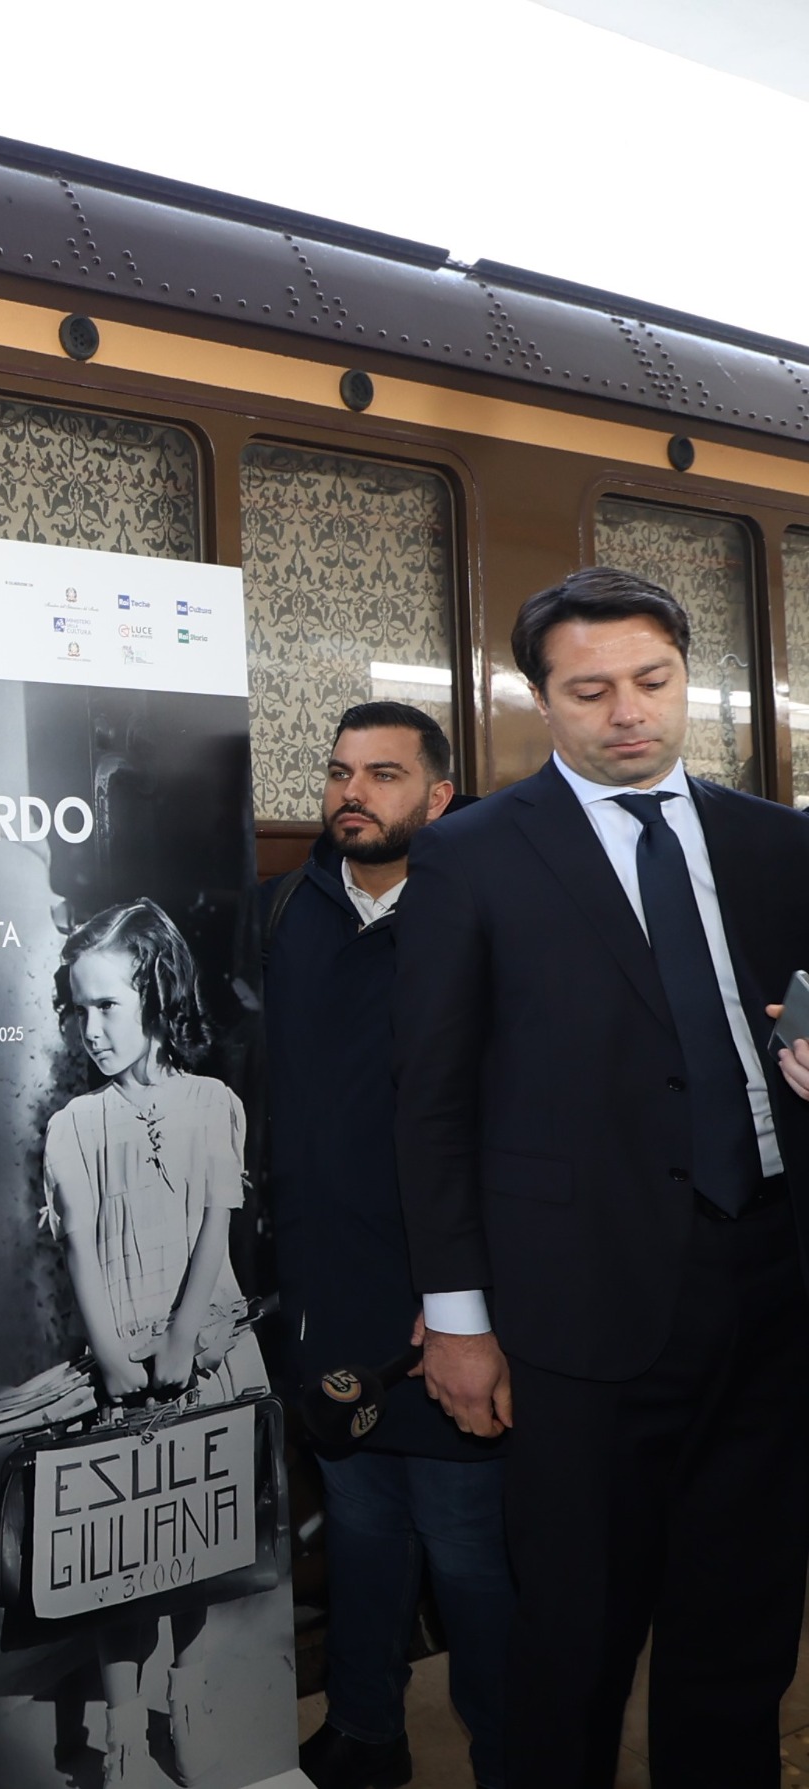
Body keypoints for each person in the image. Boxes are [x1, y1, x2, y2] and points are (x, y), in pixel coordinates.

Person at [396, 567, 809, 1789]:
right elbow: (429, 1102)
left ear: (685, 679)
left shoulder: (779, 841)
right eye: (590, 691)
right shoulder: (470, 854)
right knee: (572, 1638)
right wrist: (456, 1319)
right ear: (539, 700)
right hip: (577, 1307)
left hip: (773, 1281)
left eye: (652, 680)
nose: (627, 712)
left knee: (741, 1627)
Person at [264, 703, 508, 1789]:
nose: (351, 792)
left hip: (448, 1305)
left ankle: (516, 1755)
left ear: (438, 797)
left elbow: (521, 1126)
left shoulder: (484, 916)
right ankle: (366, 1731)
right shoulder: (284, 913)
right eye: (338, 772)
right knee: (360, 1530)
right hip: (329, 1299)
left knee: (470, 1554)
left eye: (383, 773)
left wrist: (473, 1302)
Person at [42, 897, 266, 1789]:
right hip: (120, 1362)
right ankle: (124, 1727)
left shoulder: (214, 1104)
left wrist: (182, 1341)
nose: (91, 1029)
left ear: (158, 993)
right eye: (78, 1009)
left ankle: (188, 1692)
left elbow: (216, 1226)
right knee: (121, 1552)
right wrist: (112, 1356)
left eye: (108, 1005)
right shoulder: (74, 1125)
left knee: (197, 1537)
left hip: (204, 1350)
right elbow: (78, 1248)